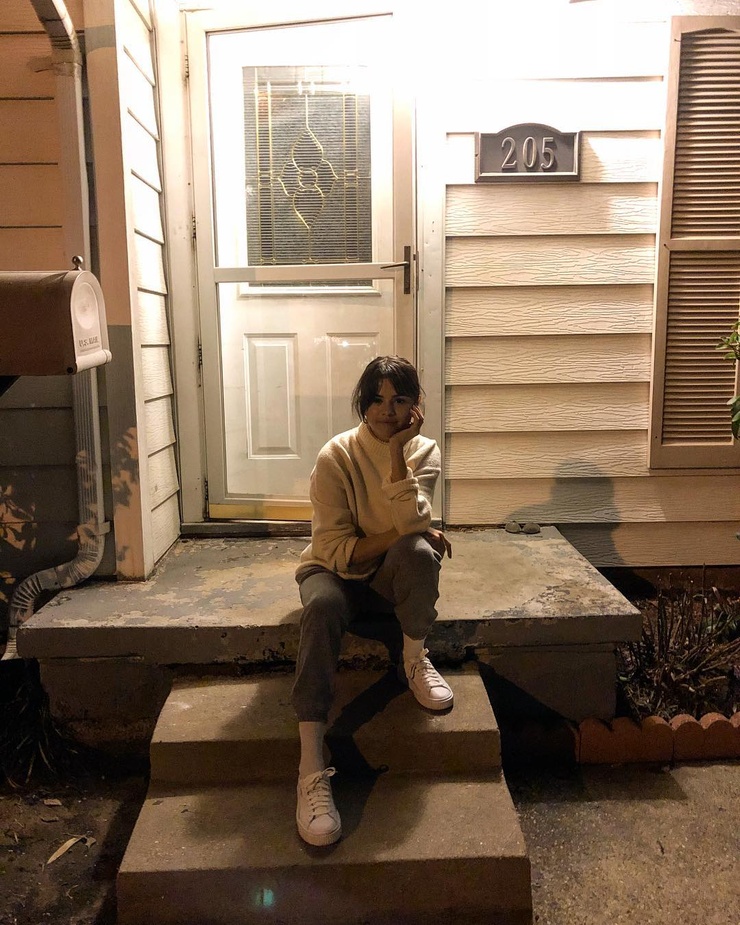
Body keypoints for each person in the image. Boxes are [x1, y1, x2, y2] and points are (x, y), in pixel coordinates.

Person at [292, 355, 453, 847]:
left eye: (399, 399)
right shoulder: (335, 456)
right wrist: (408, 532)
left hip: (383, 577)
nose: (387, 411)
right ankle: (310, 765)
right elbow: (334, 549)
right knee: (322, 607)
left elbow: (412, 526)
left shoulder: (423, 451)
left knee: (419, 552)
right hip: (331, 573)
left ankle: (414, 657)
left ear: (415, 405)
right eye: (377, 399)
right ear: (363, 403)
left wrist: (398, 451)